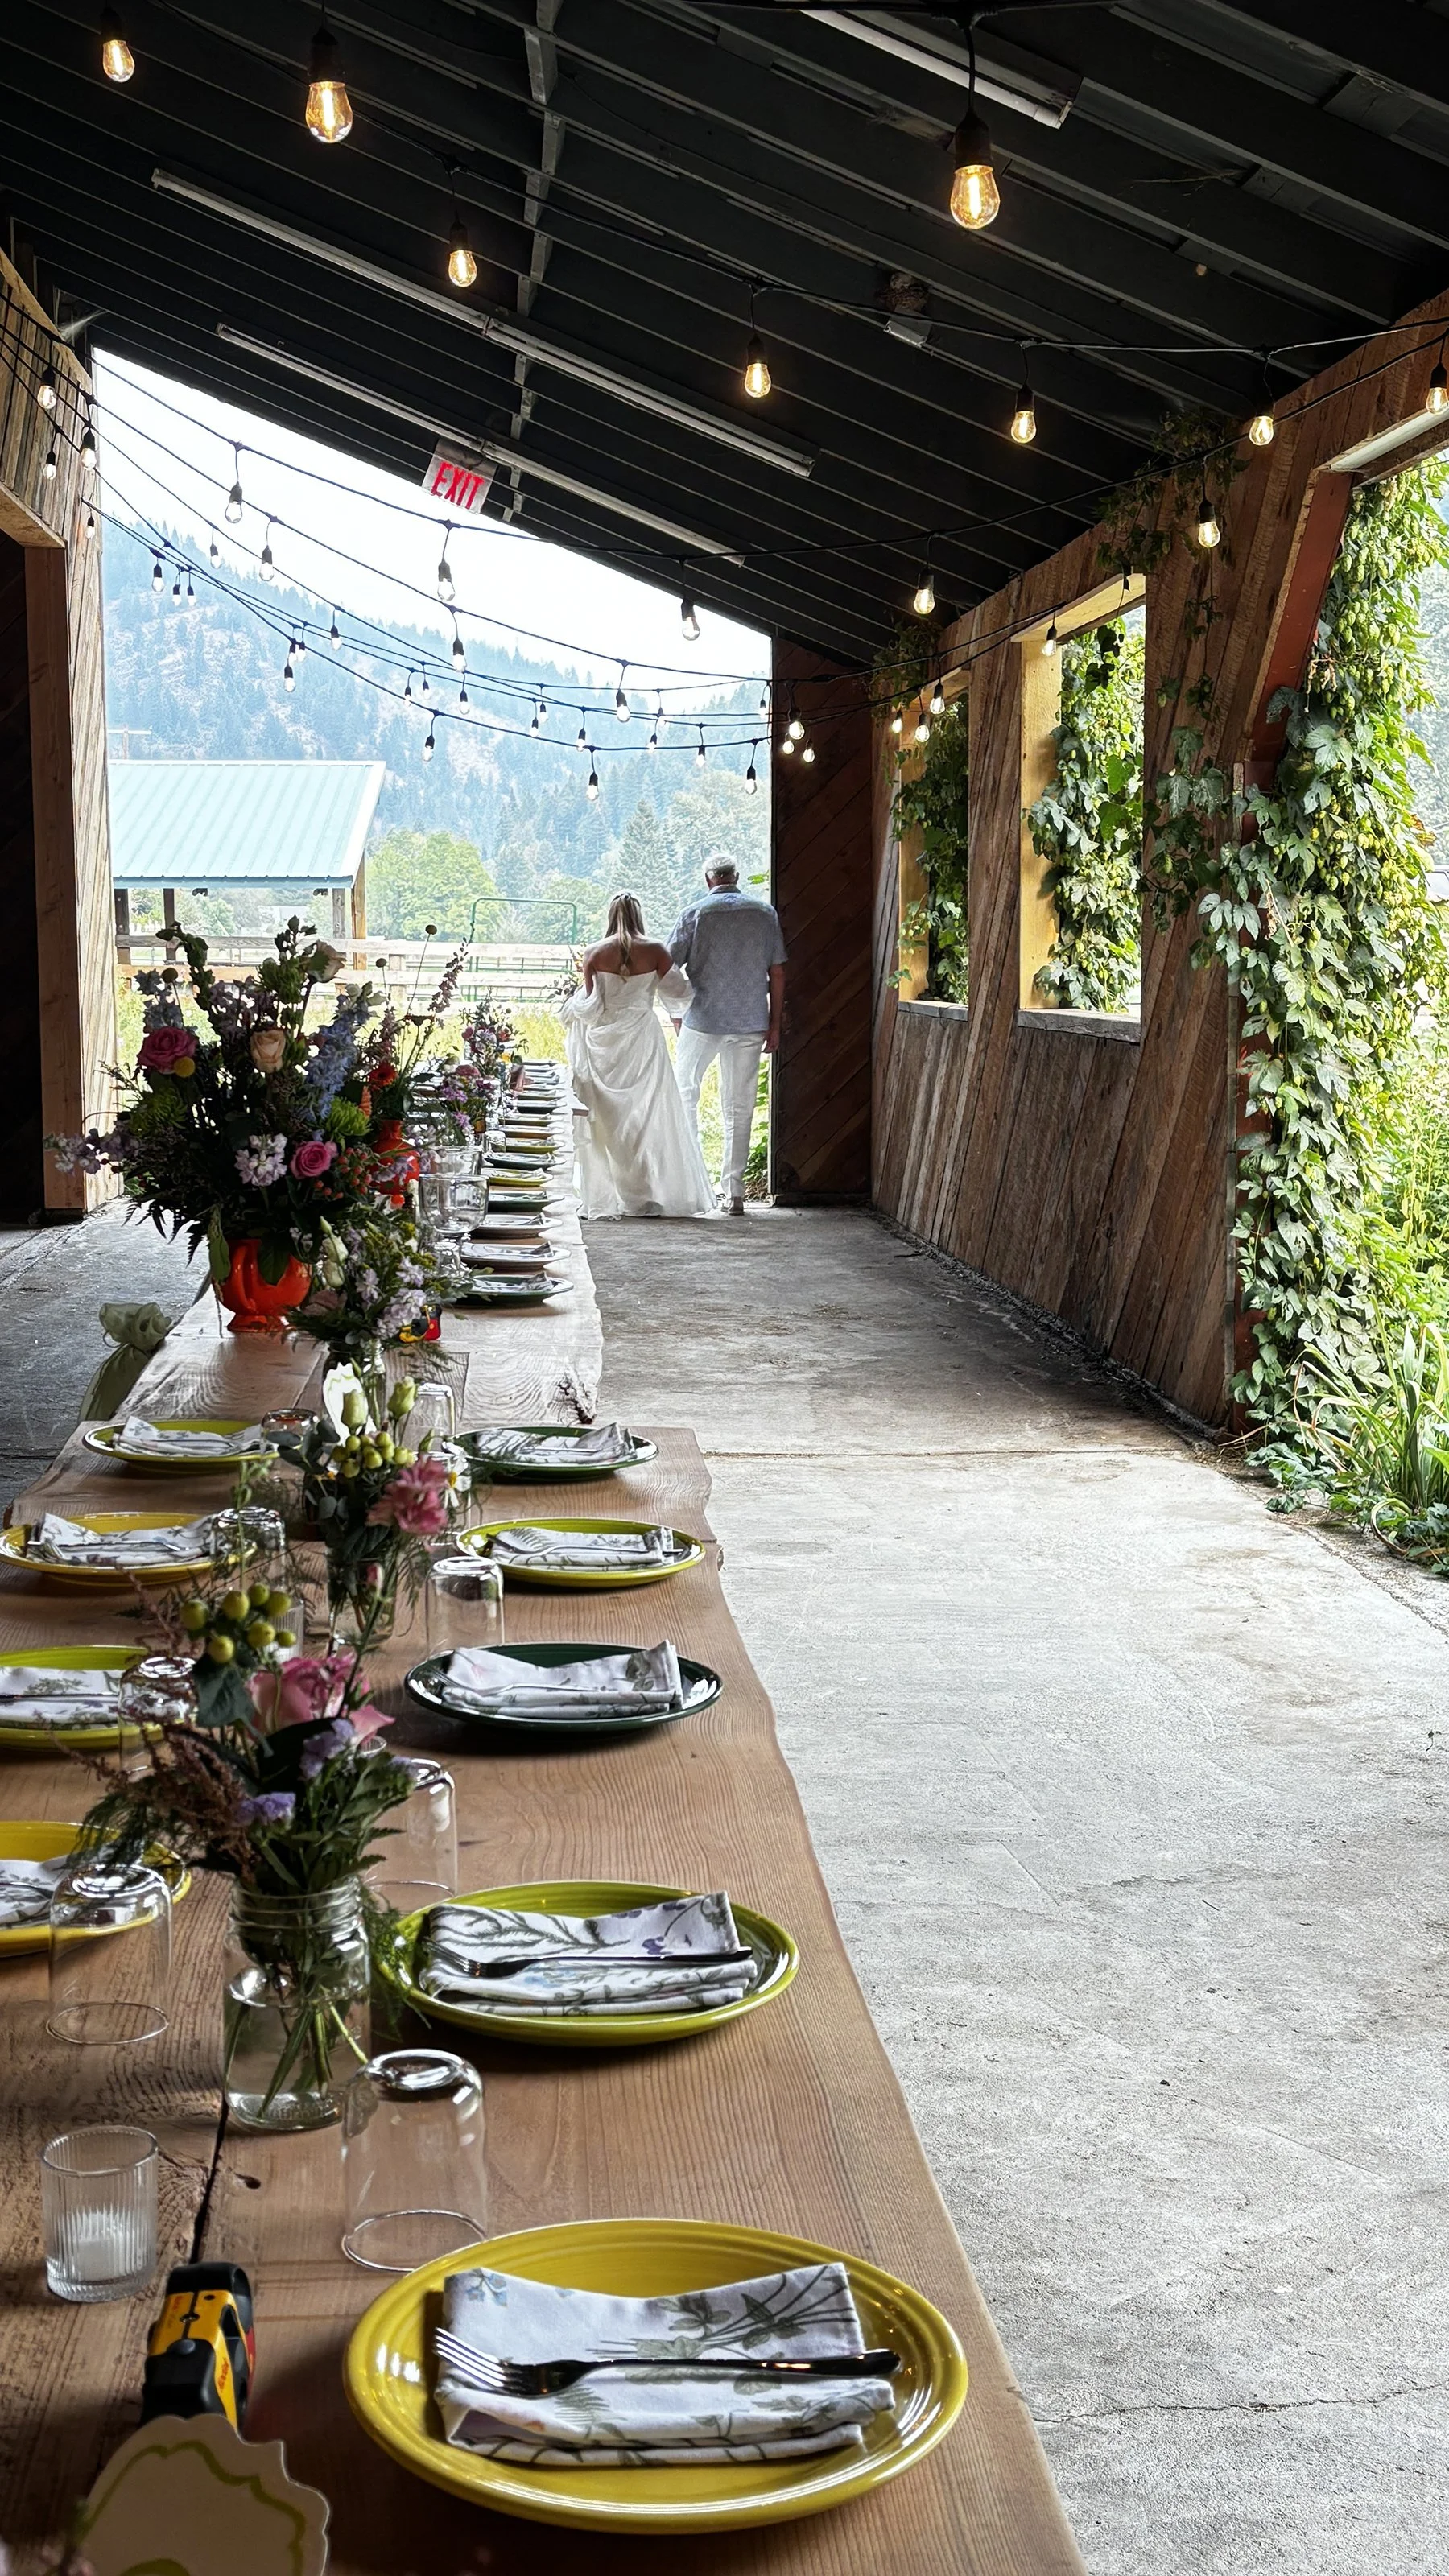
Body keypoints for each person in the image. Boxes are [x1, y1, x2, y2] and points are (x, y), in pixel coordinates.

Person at [561, 891, 716, 1220]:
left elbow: (590, 1007)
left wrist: (571, 1005)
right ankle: (647, 1193)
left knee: (608, 1118)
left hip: (604, 1042)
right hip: (642, 1040)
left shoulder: (594, 953)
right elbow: (679, 993)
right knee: (646, 1115)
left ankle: (615, 1193)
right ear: (638, 915)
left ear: (610, 915)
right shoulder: (656, 951)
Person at [667, 855, 786, 1216]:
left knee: (685, 1093)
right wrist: (775, 1023)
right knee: (739, 1106)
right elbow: (778, 973)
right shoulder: (765, 914)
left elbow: (667, 967)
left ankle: (693, 1182)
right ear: (736, 877)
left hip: (702, 1020)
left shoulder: (694, 915)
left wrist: (676, 1013)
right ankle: (734, 1194)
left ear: (708, 881)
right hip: (750, 1020)